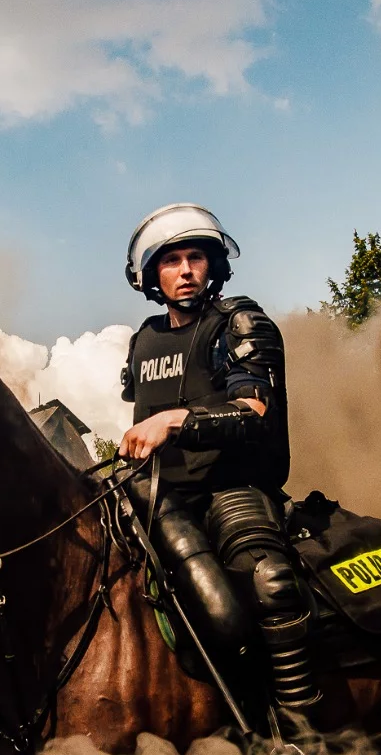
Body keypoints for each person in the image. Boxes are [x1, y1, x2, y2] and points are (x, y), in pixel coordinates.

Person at [116, 203, 321, 714]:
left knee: (270, 583)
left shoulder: (240, 323)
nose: (185, 270)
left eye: (195, 258)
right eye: (170, 260)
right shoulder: (143, 339)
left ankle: (304, 739)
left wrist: (173, 421)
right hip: (157, 494)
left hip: (232, 490)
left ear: (214, 267)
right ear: (149, 274)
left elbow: (253, 410)